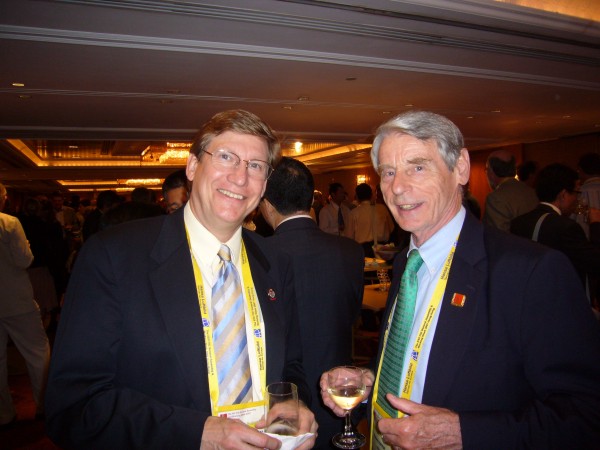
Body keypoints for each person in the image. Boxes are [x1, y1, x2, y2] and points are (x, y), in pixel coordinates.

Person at [320, 111, 600, 449]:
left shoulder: (531, 271)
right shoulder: (406, 264)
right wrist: (370, 381)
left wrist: (464, 433)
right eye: (389, 172)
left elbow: (586, 414)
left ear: (461, 168)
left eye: (417, 167)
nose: (398, 187)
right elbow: (418, 360)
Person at [45, 110, 317, 449]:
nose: (240, 177)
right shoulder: (114, 256)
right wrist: (197, 433)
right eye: (226, 157)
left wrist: (292, 403)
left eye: (256, 166)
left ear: (264, 184)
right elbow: (73, 405)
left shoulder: (274, 261)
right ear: (192, 166)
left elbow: (291, 365)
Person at [260, 157, 364, 449]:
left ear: (267, 204)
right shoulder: (350, 251)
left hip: (283, 404)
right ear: (310, 198)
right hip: (341, 398)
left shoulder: (258, 254)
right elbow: (353, 315)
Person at [0, 183, 51, 428]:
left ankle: (4, 413)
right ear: (3, 198)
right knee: (37, 352)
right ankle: (44, 405)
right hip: (16, 299)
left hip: (11, 299)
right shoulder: (9, 223)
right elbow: (25, 260)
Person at [510, 163, 600, 294]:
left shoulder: (518, 223)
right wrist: (596, 224)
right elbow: (595, 262)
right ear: (563, 195)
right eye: (576, 192)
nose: (577, 199)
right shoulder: (567, 227)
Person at [483, 149, 538, 231]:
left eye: (486, 170)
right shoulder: (531, 191)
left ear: (491, 171)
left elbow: (499, 235)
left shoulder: (495, 198)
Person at [346, 183, 394, 257]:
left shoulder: (354, 213)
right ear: (371, 195)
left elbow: (349, 237)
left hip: (363, 250)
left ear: (357, 197)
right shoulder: (382, 209)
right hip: (382, 248)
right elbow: (391, 228)